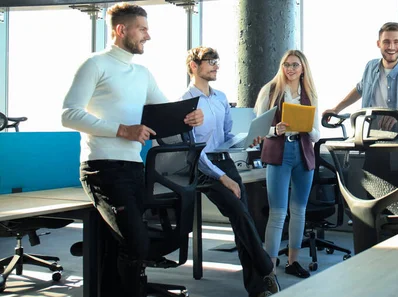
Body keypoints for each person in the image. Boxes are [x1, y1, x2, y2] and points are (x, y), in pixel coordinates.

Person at [61, 3, 204, 297]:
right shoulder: (95, 64)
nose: (148, 36)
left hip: (134, 167)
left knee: (119, 246)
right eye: (142, 29)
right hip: (102, 168)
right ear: (121, 29)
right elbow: (68, 114)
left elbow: (165, 117)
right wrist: (122, 130)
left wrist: (188, 119)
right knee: (137, 244)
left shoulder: (142, 73)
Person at [181, 46, 279, 297]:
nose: (216, 65)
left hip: (223, 160)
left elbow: (225, 137)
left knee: (242, 219)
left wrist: (248, 139)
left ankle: (257, 289)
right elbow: (194, 150)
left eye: (217, 61)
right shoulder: (185, 102)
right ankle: (266, 266)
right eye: (210, 61)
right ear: (194, 66)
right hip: (203, 167)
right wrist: (222, 177)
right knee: (239, 213)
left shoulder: (221, 98)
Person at [322, 21, 398, 186]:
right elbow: (359, 89)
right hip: (373, 144)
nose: (391, 46)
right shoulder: (370, 67)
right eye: (387, 41)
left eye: (396, 42)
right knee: (373, 201)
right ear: (378, 44)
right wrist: (336, 109)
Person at [255, 49, 319, 279]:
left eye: (295, 65)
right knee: (278, 212)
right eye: (286, 64)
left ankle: (293, 262)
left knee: (299, 211)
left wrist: (308, 128)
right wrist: (275, 129)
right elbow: (258, 128)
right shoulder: (271, 91)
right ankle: (269, 268)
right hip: (279, 151)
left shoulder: (310, 94)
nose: (290, 69)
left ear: (303, 69)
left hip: (303, 151)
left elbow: (316, 134)